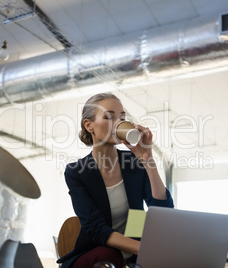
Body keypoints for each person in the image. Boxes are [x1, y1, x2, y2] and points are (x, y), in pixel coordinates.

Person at [57, 93, 174, 268]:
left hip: (135, 249)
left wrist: (147, 160)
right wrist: (143, 248)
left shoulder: (134, 163)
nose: (119, 123)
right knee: (109, 256)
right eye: (109, 117)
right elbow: (96, 229)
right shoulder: (76, 172)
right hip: (97, 252)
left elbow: (164, 211)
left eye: (122, 117)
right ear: (89, 126)